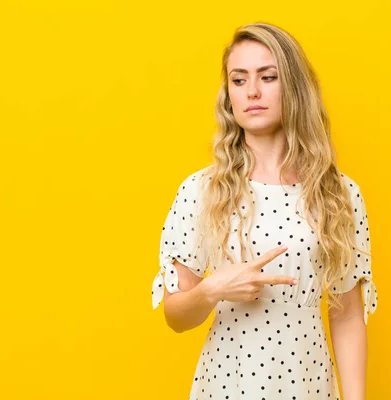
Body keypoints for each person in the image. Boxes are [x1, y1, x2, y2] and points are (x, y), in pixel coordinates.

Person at [151, 22, 378, 399]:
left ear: (293, 86)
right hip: (228, 386)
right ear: (228, 95)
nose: (252, 91)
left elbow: (348, 315)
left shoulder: (338, 193)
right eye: (238, 81)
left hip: (308, 385)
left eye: (268, 77)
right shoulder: (202, 190)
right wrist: (213, 289)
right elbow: (176, 317)